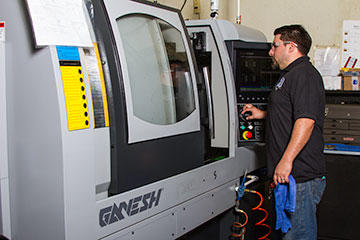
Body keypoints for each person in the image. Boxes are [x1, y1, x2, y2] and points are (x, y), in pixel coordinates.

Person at [241, 25, 326, 240]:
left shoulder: (304, 75)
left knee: (298, 236)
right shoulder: (289, 76)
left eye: (275, 45)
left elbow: (305, 121)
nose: (271, 51)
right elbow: (288, 112)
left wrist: (286, 161)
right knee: (288, 233)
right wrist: (261, 114)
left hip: (300, 177)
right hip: (290, 176)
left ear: (291, 47)